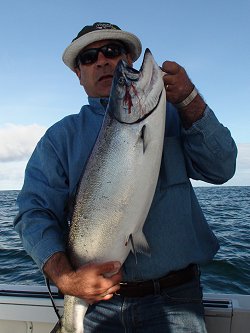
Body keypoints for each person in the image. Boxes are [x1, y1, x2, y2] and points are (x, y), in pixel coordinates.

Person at [14, 22, 237, 332]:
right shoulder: (59, 139)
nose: (102, 60)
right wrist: (67, 279)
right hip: (97, 309)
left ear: (129, 60)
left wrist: (190, 100)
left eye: (112, 51)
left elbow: (222, 169)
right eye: (89, 57)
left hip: (176, 302)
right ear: (78, 74)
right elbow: (33, 213)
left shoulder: (174, 117)